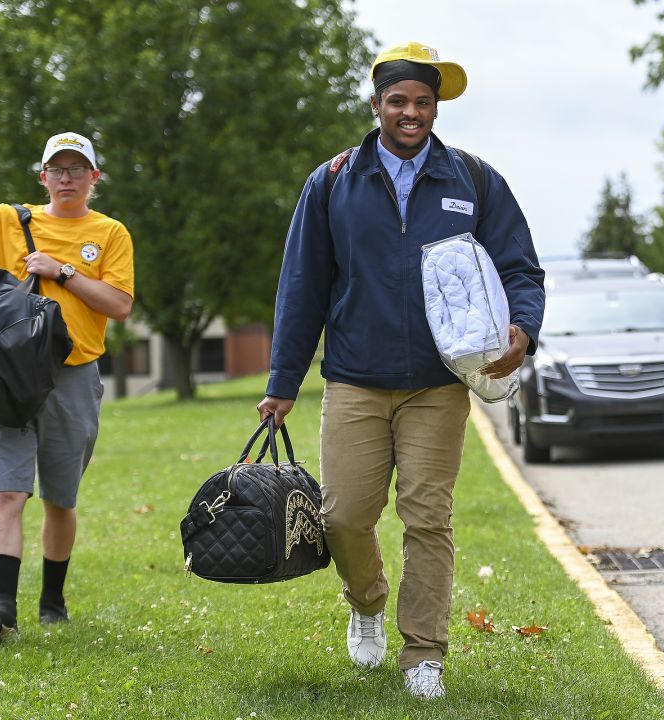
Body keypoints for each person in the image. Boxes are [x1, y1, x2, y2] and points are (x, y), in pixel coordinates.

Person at [256, 41, 544, 699]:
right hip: (355, 377)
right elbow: (302, 287)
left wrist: (522, 327)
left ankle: (423, 657)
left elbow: (521, 267)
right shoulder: (332, 181)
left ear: (435, 107)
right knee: (344, 516)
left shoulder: (473, 179)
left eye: (422, 102)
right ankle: (366, 600)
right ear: (376, 104)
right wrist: (281, 383)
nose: (410, 113)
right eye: (398, 101)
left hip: (440, 384)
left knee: (427, 518)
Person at [0, 131, 135, 642]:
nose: (67, 178)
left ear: (94, 177)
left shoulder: (110, 233)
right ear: (42, 177)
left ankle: (52, 600)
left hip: (73, 375)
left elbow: (119, 305)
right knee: (7, 495)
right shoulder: (4, 221)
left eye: (77, 169)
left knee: (60, 499)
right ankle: (3, 613)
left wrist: (62, 271)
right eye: (57, 170)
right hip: (7, 376)